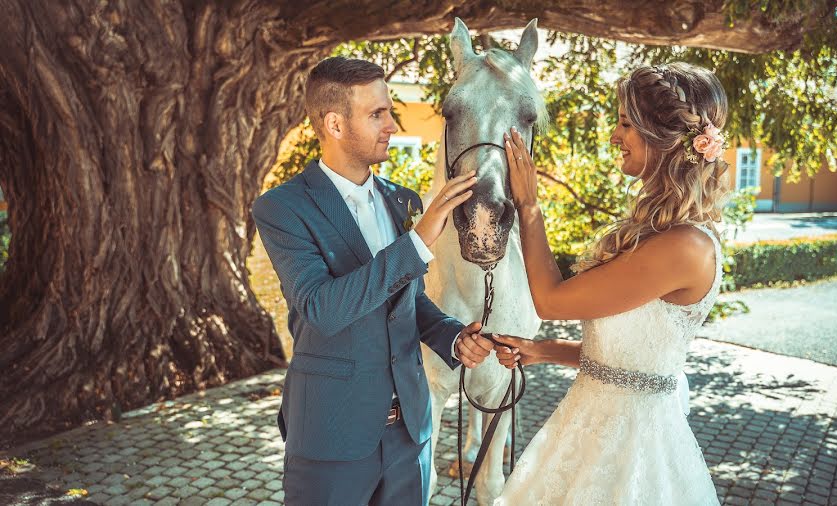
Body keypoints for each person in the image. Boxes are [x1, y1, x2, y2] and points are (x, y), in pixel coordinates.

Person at [251, 56, 494, 506]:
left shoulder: (402, 200)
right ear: (335, 124)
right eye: (377, 113)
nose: (391, 123)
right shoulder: (282, 208)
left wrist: (454, 336)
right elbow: (322, 309)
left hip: (411, 435)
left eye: (389, 110)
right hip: (332, 434)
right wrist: (418, 242)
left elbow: (408, 301)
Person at [493, 62, 729, 504]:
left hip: (631, 454)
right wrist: (541, 351)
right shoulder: (661, 232)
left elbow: (550, 300)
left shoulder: (684, 246)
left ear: (662, 137)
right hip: (587, 430)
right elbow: (632, 364)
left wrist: (528, 206)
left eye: (624, 124)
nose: (614, 137)